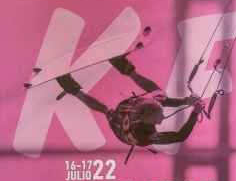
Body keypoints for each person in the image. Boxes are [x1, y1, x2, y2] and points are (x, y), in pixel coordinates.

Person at [56, 54, 204, 147]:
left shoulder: (144, 122)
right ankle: (74, 88)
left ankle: (72, 87)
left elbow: (163, 104)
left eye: (160, 115)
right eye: (160, 116)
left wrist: (186, 101)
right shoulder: (149, 133)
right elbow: (180, 136)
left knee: (108, 110)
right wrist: (194, 113)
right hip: (126, 116)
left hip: (122, 129)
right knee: (158, 94)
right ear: (147, 117)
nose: (163, 117)